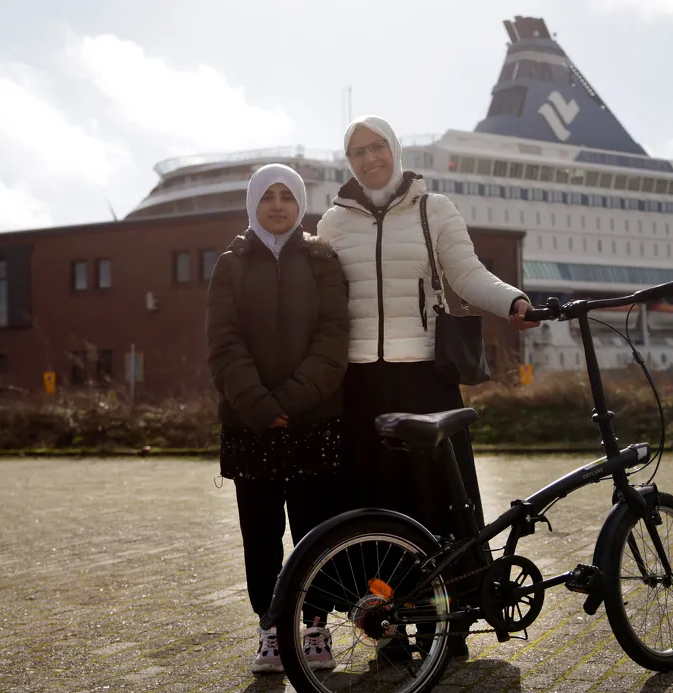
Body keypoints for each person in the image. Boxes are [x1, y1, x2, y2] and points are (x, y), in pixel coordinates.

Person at [316, 115, 539, 661]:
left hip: (425, 378)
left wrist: (513, 300)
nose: (369, 159)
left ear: (394, 149)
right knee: (374, 507)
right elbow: (318, 297)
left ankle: (453, 620)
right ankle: (385, 625)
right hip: (362, 382)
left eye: (377, 147)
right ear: (348, 162)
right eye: (357, 152)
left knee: (443, 500)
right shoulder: (332, 223)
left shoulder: (432, 208)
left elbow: (467, 274)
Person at [206, 163, 349, 674]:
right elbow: (224, 344)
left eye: (288, 195)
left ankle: (315, 627)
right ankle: (270, 628)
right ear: (253, 203)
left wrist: (294, 399)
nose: (278, 205)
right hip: (251, 425)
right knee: (261, 532)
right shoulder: (231, 264)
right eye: (268, 195)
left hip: (314, 419)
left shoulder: (322, 259)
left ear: (301, 203)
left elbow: (334, 339)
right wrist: (264, 407)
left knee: (315, 528)